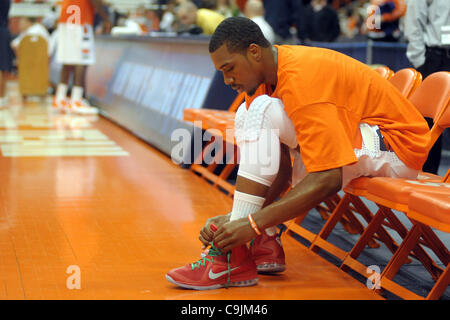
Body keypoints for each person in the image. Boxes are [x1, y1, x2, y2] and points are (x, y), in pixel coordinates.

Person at [166, 17, 431, 290]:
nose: (227, 79)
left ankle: (234, 256)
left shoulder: (303, 79)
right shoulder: (264, 81)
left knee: (259, 110)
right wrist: (240, 221)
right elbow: (279, 171)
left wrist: (250, 223)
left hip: (395, 146)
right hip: (361, 135)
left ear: (254, 51)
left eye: (229, 68)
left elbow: (328, 178)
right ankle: (259, 244)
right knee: (248, 111)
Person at [404, 0, 450, 175]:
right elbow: (414, 22)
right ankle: (427, 177)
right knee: (429, 123)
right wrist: (421, 62)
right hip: (433, 58)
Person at [53, 0, 110, 115]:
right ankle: (76, 100)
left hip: (67, 17)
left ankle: (60, 98)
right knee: (81, 60)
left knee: (68, 59)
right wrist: (106, 18)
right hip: (80, 18)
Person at [0, 0, 12, 108]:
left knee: (3, 67)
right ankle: (2, 98)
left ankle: (2, 98)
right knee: (3, 67)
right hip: (3, 31)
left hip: (2, 30)